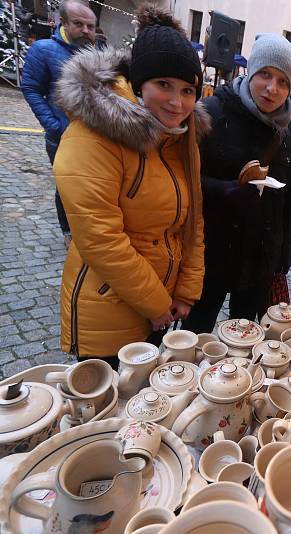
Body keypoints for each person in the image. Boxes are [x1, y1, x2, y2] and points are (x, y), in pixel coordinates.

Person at [53, 5, 207, 368]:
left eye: (188, 90)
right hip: (109, 310)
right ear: (140, 84)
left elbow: (193, 222)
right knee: (105, 417)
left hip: (162, 307)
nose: (177, 102)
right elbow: (100, 238)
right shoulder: (94, 133)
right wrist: (155, 303)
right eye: (164, 85)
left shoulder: (182, 137)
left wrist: (185, 291)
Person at [182, 33, 291, 334]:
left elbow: (290, 204)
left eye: (283, 81)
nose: (272, 88)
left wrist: (283, 258)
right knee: (196, 333)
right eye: (265, 74)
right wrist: (223, 190)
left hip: (260, 257)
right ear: (251, 70)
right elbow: (182, 181)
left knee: (245, 338)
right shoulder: (211, 113)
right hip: (212, 252)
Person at [21, 0, 97, 246]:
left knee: (92, 185)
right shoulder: (43, 49)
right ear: (63, 22)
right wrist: (53, 124)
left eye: (90, 26)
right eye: (79, 24)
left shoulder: (94, 53)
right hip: (61, 136)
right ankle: (69, 232)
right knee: (67, 186)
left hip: (93, 138)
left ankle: (88, 228)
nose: (86, 30)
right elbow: (31, 88)